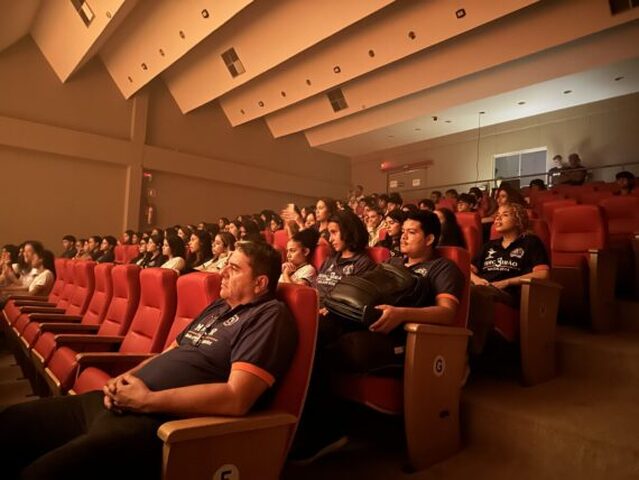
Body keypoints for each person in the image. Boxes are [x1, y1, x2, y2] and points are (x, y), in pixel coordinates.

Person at [0, 241, 297, 479]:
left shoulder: (268, 315)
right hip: (119, 401)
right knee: (12, 423)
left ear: (260, 283)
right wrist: (124, 379)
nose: (223, 272)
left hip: (153, 422)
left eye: (233, 268)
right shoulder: (218, 307)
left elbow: (237, 397)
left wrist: (146, 400)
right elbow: (169, 352)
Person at [292, 211, 464, 463]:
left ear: (429, 238)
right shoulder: (392, 264)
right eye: (402, 231)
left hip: (403, 337)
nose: (403, 236)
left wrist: (401, 314)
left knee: (337, 348)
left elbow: (447, 313)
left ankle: (326, 430)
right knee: (308, 333)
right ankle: (304, 424)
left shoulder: (442, 268)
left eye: (412, 232)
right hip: (362, 323)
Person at [468, 203, 550, 354]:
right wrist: (477, 280)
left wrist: (506, 282)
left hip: (510, 293)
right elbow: (468, 269)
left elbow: (542, 274)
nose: (498, 218)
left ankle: (471, 354)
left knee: (476, 294)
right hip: (483, 287)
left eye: (505, 215)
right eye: (497, 215)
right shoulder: (489, 246)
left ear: (518, 220)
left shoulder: (531, 242)